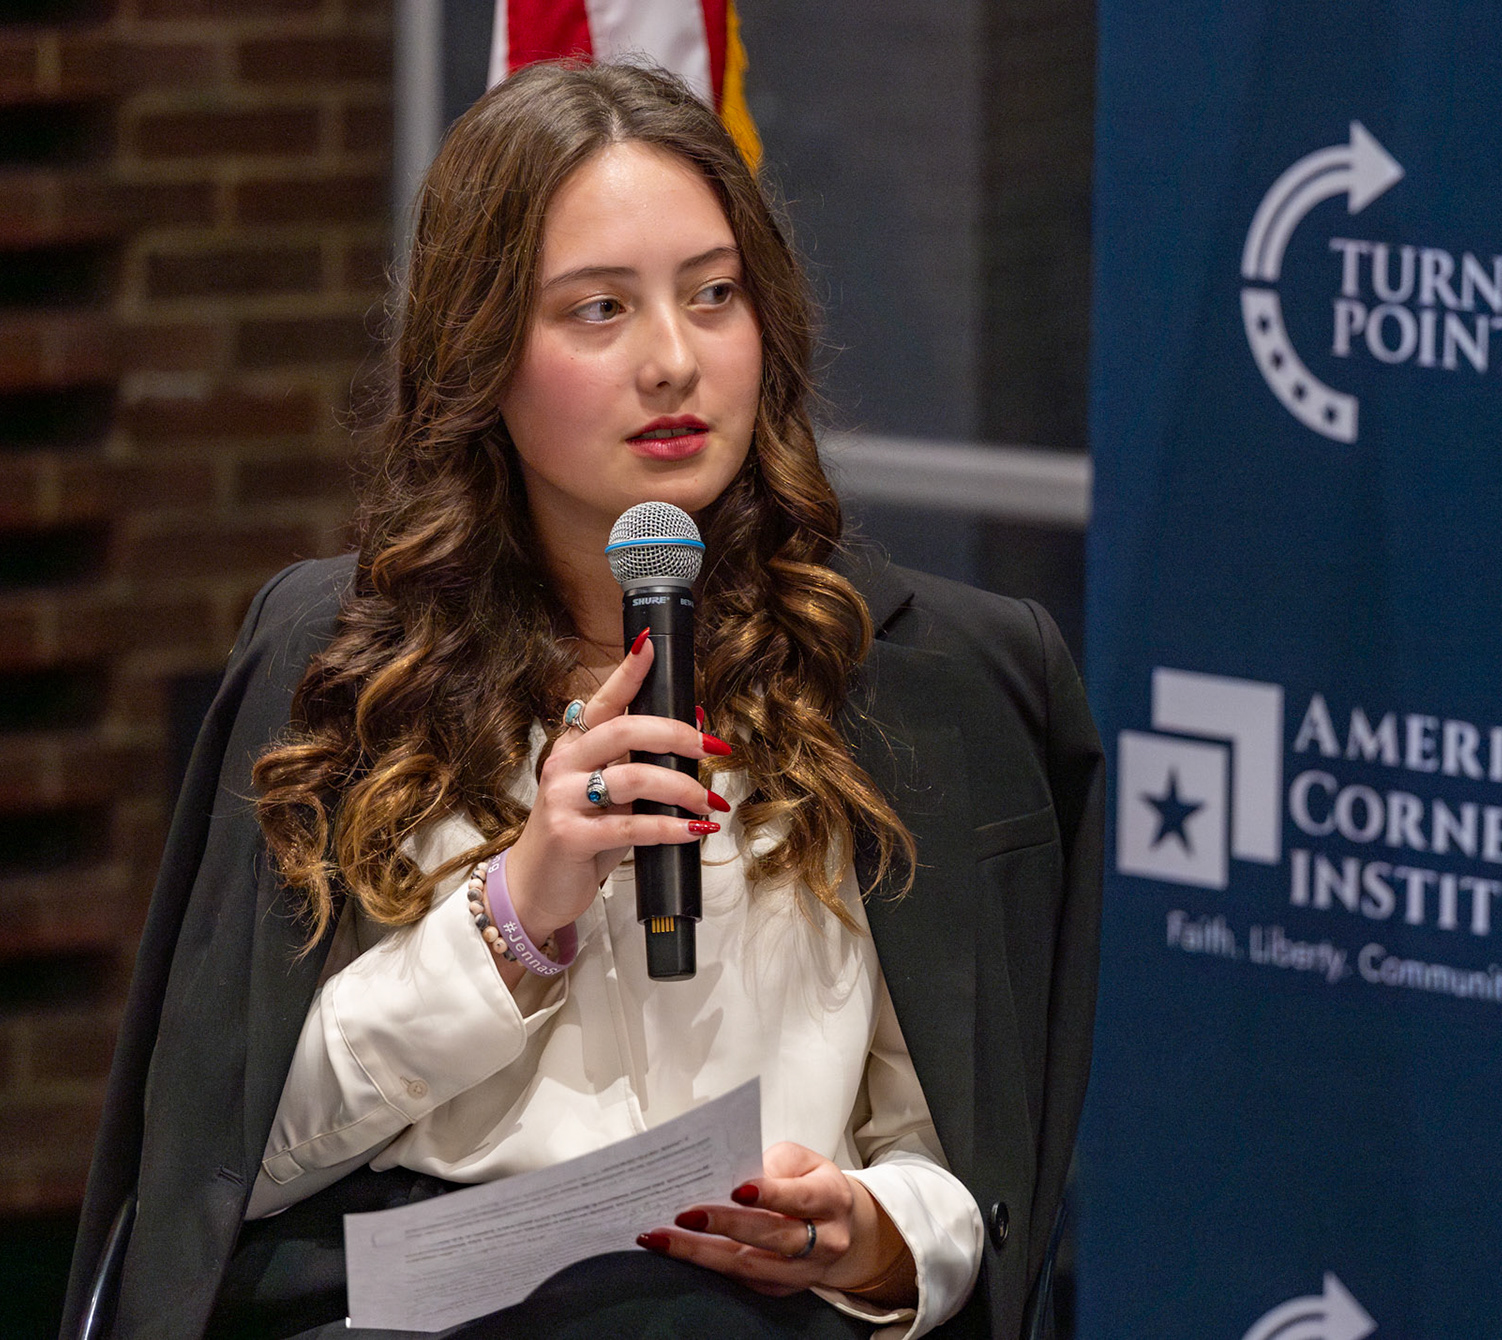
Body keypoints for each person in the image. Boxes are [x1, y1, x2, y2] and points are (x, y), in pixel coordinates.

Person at [62, 60, 1103, 1340]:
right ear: (482, 350)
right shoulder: (341, 664)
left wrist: (870, 1236)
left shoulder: (916, 676)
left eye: (714, 294)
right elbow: (232, 1162)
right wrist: (516, 912)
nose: (673, 361)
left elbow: (967, 1170)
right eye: (599, 309)